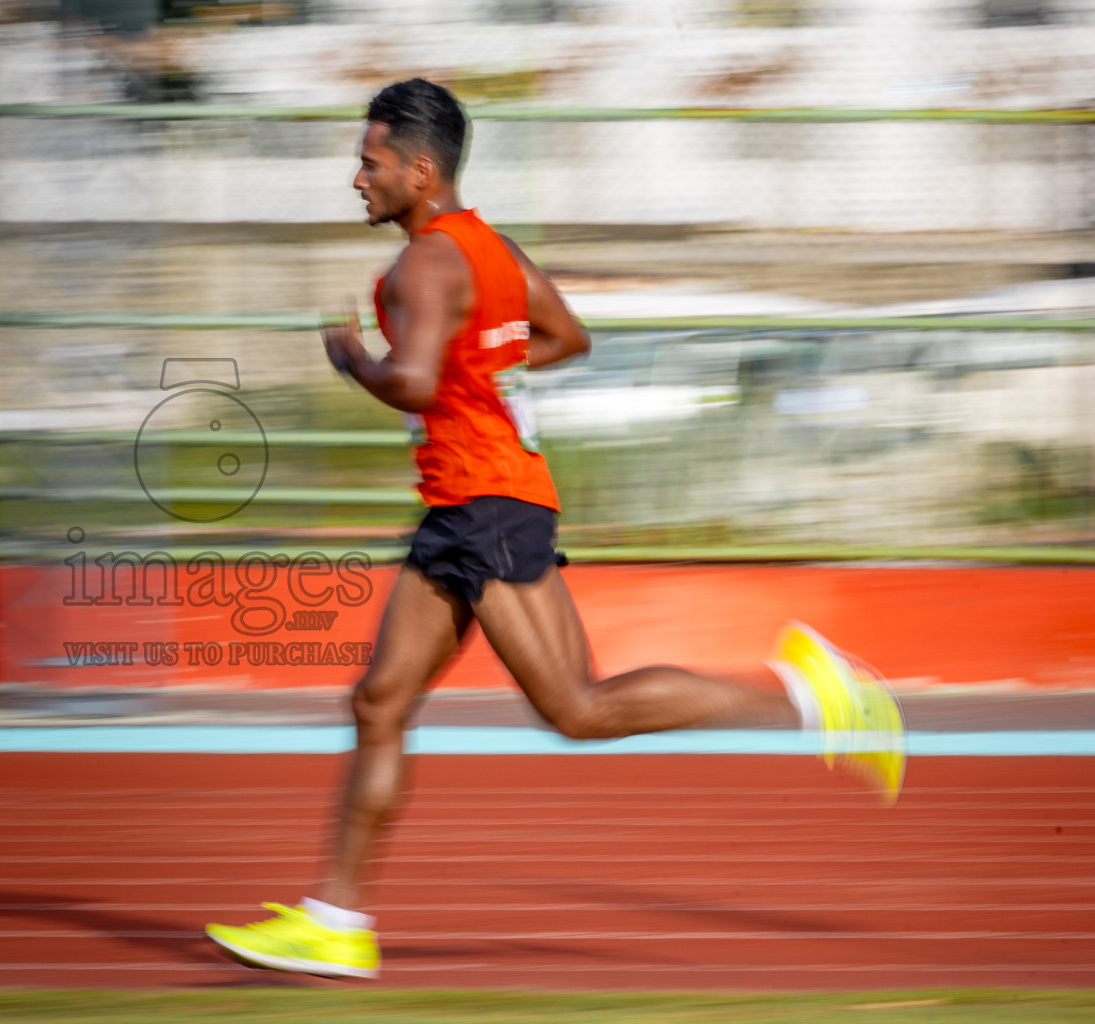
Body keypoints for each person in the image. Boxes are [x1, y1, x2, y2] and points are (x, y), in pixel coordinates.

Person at [204, 78, 905, 981]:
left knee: (577, 708)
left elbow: (413, 385)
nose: (356, 178)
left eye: (370, 162)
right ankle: (335, 921)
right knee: (379, 703)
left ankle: (816, 695)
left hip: (486, 507)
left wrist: (355, 361)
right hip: (467, 507)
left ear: (420, 171)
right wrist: (480, 367)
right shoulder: (491, 248)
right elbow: (566, 337)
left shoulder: (422, 264)